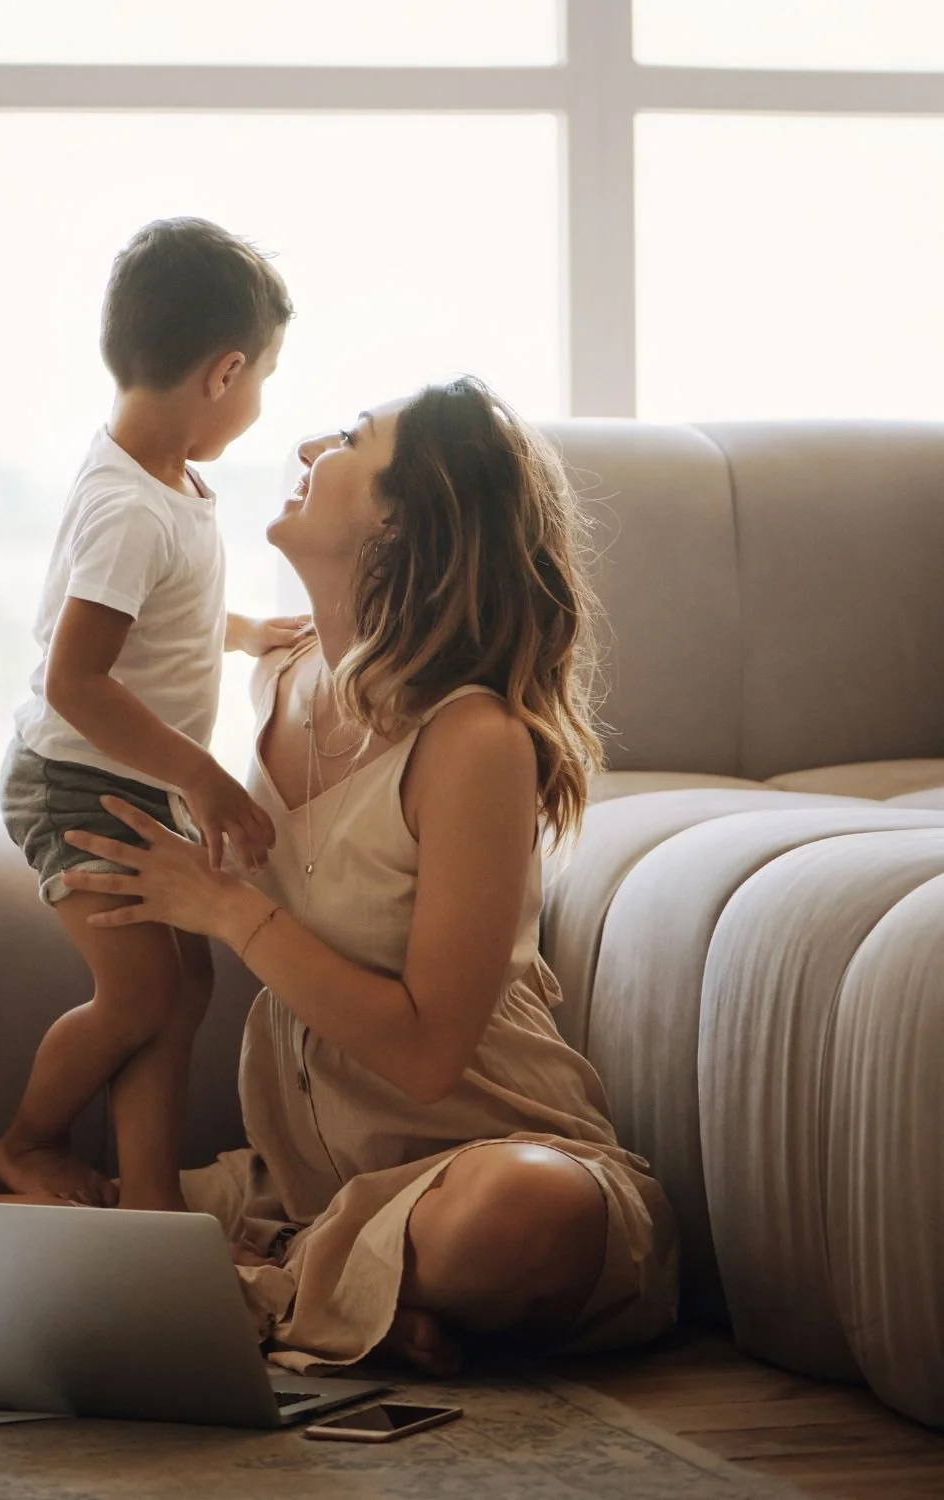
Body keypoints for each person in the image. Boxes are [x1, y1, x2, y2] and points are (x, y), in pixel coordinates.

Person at [57, 376, 679, 1377]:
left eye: (351, 438)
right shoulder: (279, 675)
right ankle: (332, 1287)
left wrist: (224, 909)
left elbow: (430, 1056)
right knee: (3, 1226)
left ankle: (277, 1286)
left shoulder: (473, 739)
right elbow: (94, 650)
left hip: (485, 1168)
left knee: (516, 1217)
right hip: (303, 1186)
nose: (306, 446)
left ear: (402, 520)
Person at [0, 217, 307, 1213]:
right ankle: (29, 1143)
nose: (258, 403)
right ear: (224, 373)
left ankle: (148, 1202)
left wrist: (248, 630)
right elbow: (77, 681)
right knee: (138, 992)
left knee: (188, 988)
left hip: (127, 777)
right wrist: (204, 778)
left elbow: (156, 620)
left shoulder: (164, 481)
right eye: (262, 380)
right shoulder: (127, 504)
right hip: (77, 780)